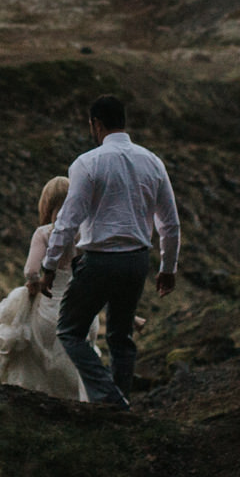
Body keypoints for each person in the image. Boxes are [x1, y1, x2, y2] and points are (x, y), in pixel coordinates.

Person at [32, 94, 180, 409]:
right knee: (120, 337)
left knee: (70, 331)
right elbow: (170, 223)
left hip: (99, 260)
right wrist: (168, 267)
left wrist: (48, 267)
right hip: (138, 260)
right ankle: (119, 405)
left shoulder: (87, 163)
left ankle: (111, 400)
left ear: (96, 124)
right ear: (123, 122)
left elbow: (68, 221)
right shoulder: (153, 161)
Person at [0, 176, 89, 400]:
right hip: (82, 307)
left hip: (50, 305)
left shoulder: (44, 233)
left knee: (41, 359)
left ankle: (46, 403)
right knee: (78, 360)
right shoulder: (85, 233)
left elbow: (31, 271)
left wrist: (35, 283)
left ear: (47, 205)